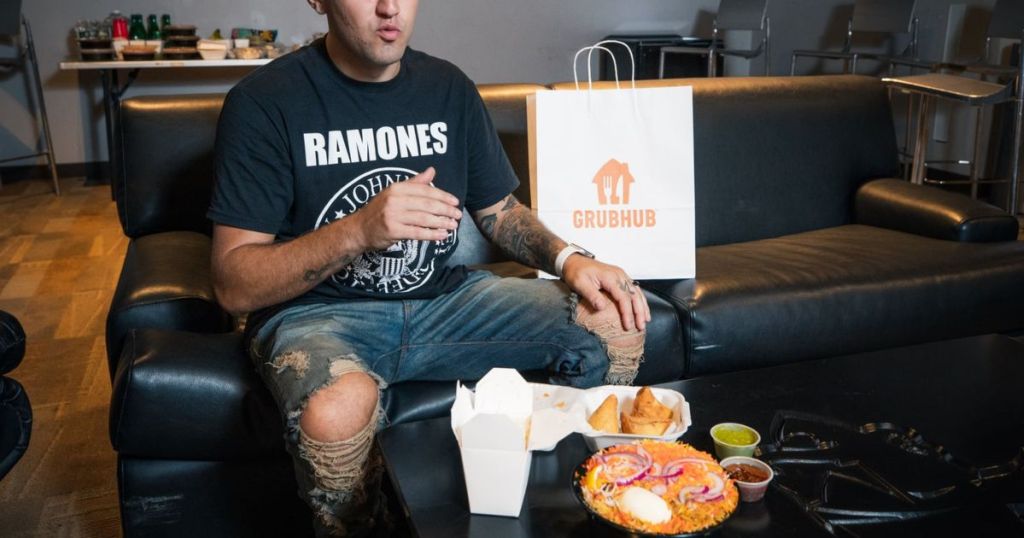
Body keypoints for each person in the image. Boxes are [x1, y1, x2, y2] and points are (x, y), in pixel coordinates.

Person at [207, 0, 649, 535]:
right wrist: (358, 230)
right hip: (317, 317)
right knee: (336, 409)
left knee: (612, 320)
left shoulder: (448, 87)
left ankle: (572, 506)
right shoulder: (265, 102)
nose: (390, 7)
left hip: (446, 304)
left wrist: (569, 258)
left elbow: (499, 211)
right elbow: (232, 283)